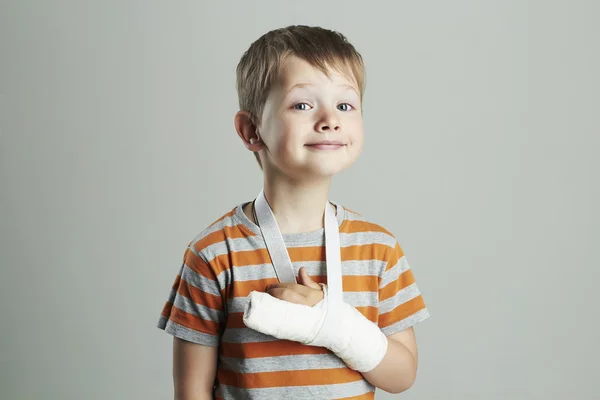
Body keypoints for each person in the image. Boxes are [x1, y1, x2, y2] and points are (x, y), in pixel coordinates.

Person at [157, 25, 430, 400]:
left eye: (345, 105)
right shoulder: (213, 254)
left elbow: (402, 377)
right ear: (251, 129)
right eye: (303, 105)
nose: (329, 119)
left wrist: (337, 325)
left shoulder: (378, 250)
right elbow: (192, 391)